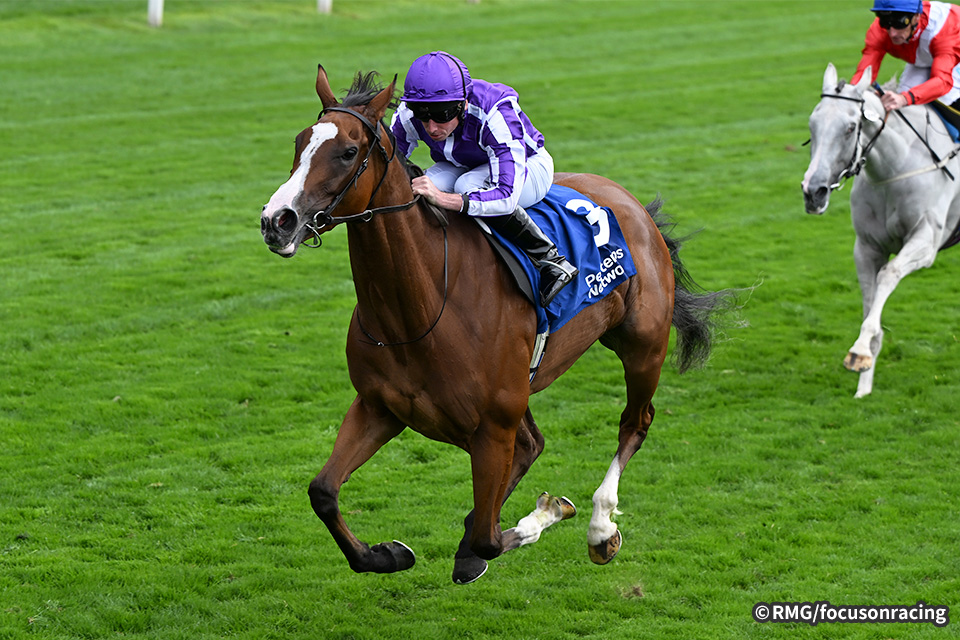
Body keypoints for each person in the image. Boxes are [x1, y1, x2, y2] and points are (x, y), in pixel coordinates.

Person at [390, 51, 578, 308]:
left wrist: (447, 199)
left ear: (463, 104)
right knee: (422, 185)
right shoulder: (409, 112)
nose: (431, 127)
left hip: (530, 167)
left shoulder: (495, 112)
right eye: (423, 115)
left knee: (465, 187)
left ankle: (550, 259)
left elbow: (506, 197)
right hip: (463, 164)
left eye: (442, 114)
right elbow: (390, 165)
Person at [852, 0, 960, 112]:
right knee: (901, 104)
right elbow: (864, 72)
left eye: (899, 23)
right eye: (885, 22)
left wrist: (904, 98)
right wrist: (850, 93)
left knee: (946, 98)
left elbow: (943, 81)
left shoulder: (944, 30)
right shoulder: (879, 31)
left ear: (916, 17)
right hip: (927, 58)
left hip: (954, 55)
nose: (892, 33)